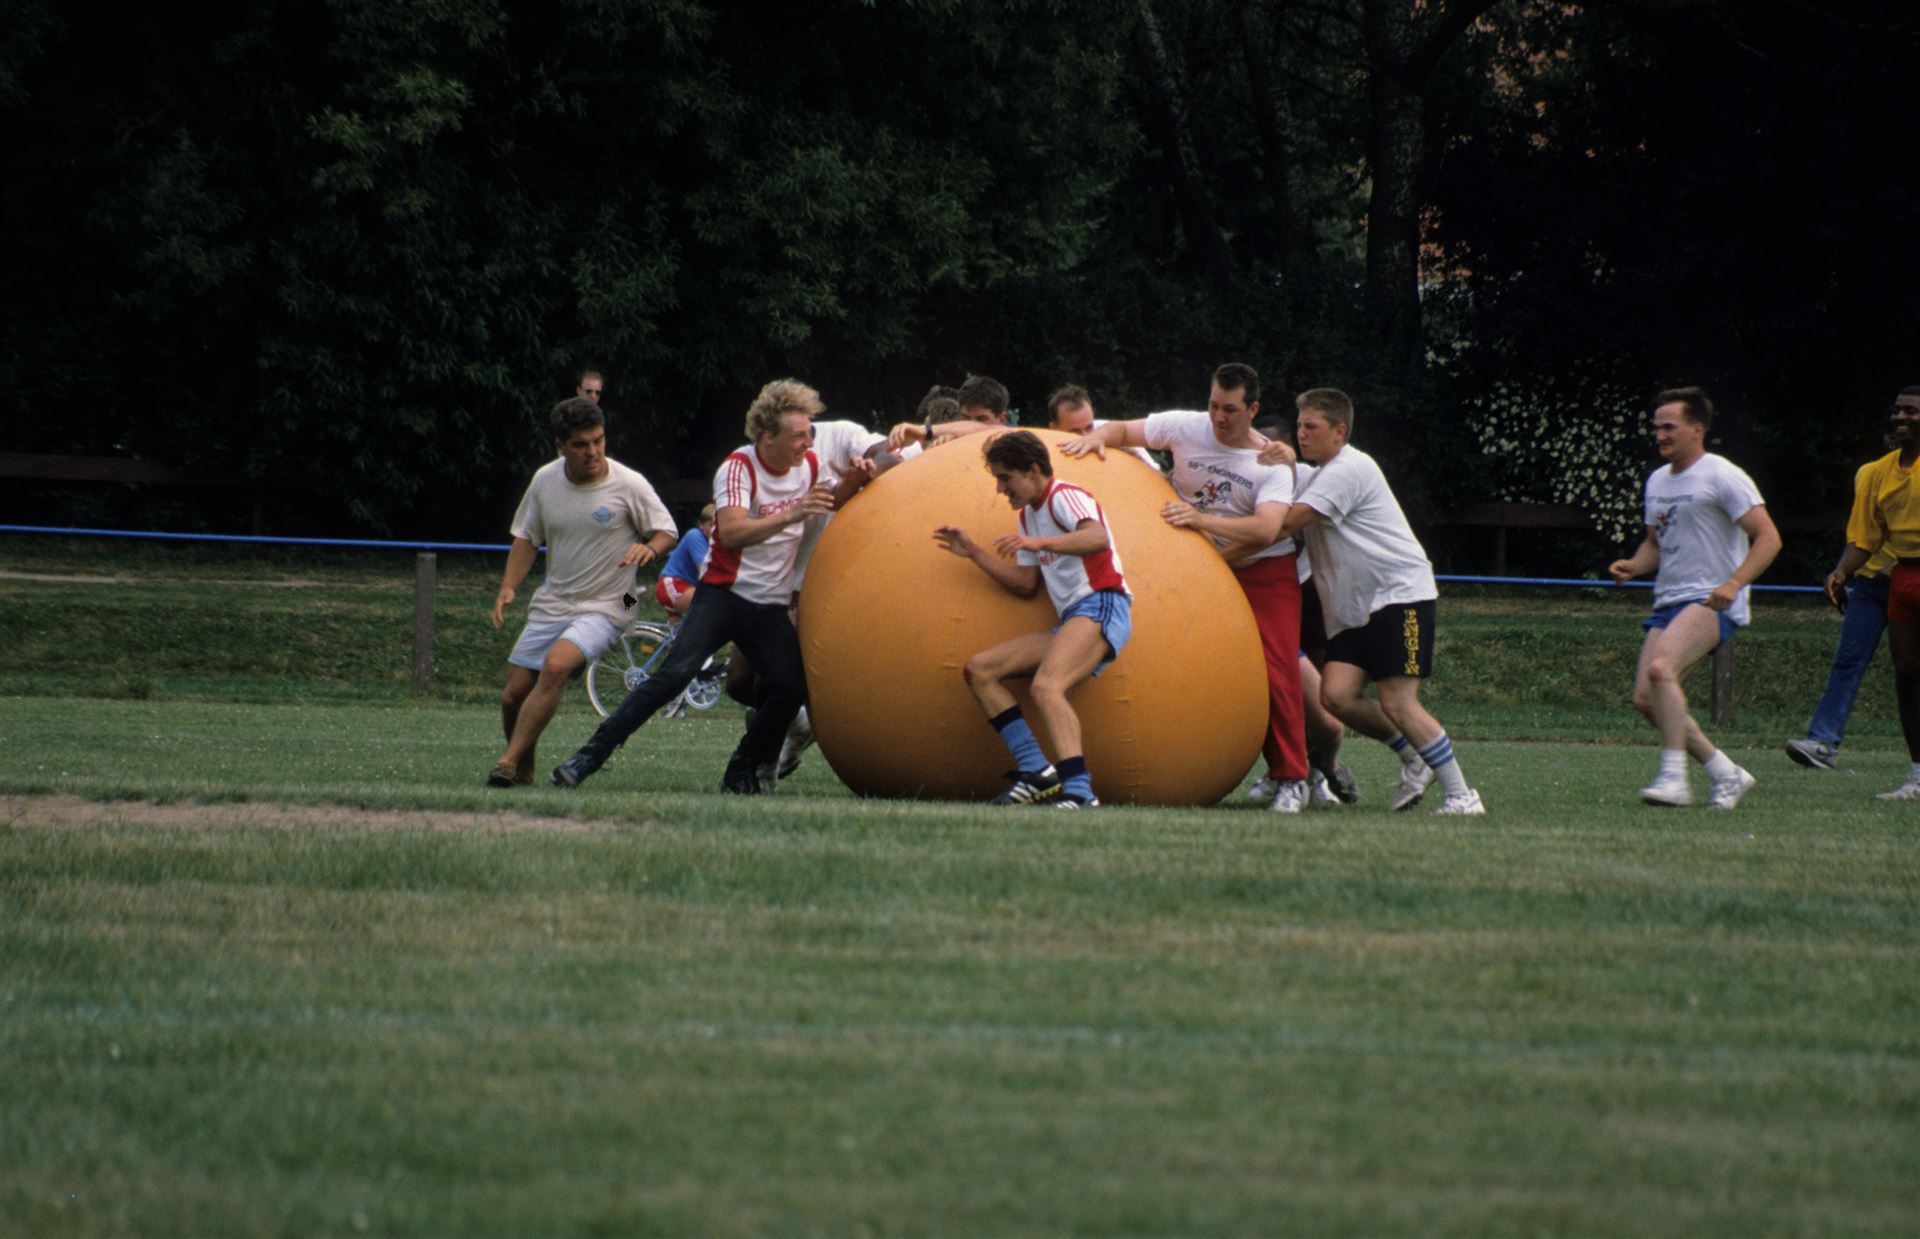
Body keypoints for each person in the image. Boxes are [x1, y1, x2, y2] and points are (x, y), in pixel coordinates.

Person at [551, 379, 835, 794]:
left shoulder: (808, 466)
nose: (807, 444)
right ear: (767, 435)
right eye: (798, 435)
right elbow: (734, 533)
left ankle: (741, 770)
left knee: (790, 687)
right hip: (715, 593)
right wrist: (793, 514)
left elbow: (825, 503)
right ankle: (587, 757)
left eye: (810, 434)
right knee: (675, 674)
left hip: (767, 605)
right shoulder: (738, 467)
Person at [1062, 363, 1313, 813]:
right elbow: (1120, 429)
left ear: (1252, 410)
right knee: (1188, 662)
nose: (1218, 417)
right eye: (1214, 405)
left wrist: (1199, 520)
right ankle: (1244, 763)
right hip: (1194, 568)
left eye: (1230, 410)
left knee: (1276, 671)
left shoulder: (1270, 462)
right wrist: (1099, 437)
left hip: (1261, 570)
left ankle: (1293, 776)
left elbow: (1265, 529)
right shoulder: (1184, 426)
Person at [1280, 387, 1486, 815]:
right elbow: (1286, 471)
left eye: (1311, 426)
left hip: (1400, 597)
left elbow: (1286, 522)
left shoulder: (1350, 468)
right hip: (1355, 610)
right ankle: (1413, 758)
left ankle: (1462, 796)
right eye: (1299, 425)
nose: (1302, 434)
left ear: (1339, 431)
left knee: (1398, 701)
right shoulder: (1318, 474)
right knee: (1335, 697)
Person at [935, 430, 1132, 808]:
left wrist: (1038, 544)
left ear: (1033, 470)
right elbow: (1026, 585)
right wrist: (973, 551)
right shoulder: (1027, 517)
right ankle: (1036, 769)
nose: (1000, 488)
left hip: (1103, 603)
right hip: (1075, 617)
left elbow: (1097, 538)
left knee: (1047, 687)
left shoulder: (1064, 496)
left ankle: (1080, 791)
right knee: (980, 670)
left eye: (1005, 478)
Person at [488, 396, 676, 788]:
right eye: (581, 444)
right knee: (512, 696)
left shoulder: (628, 483)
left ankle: (505, 762)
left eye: (599, 440)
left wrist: (650, 547)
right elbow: (525, 537)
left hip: (617, 601)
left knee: (557, 666)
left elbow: (667, 530)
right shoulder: (544, 481)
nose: (593, 451)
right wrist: (508, 587)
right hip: (554, 601)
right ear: (560, 446)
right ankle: (524, 770)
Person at [1606, 387, 1781, 808]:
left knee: (1662, 669)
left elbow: (1769, 538)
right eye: (1656, 427)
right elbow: (1656, 542)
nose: (1660, 435)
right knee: (1647, 699)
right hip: (1668, 599)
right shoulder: (1658, 481)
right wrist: (1633, 565)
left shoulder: (1722, 475)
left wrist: (1733, 584)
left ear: (1696, 429)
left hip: (1710, 600)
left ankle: (1674, 779)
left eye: (1669, 427)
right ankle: (1725, 772)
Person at [1786, 418, 1906, 770]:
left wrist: (1901, 570)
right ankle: (1823, 742)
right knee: (1848, 661)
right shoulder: (1869, 474)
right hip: (1871, 585)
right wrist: (1842, 572)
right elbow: (1861, 534)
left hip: (1910, 582)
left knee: (1911, 669)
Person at [1819, 385, 1920, 799]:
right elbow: (1865, 537)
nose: (1900, 418)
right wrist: (1842, 571)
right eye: (1897, 411)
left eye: (1911, 411)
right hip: (1903, 578)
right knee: (1909, 676)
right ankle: (1917, 776)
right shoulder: (1878, 472)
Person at [1046, 384, 1161, 471]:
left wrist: (1138, 462)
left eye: (1089, 427)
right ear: (1053, 429)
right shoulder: (1044, 450)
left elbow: (1158, 478)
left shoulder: (1117, 435)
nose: (1086, 437)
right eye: (1074, 431)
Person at [654, 503, 714, 618]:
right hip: (675, 584)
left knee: (682, 634)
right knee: (711, 605)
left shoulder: (716, 542)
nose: (715, 530)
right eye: (711, 525)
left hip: (690, 588)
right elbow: (705, 571)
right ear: (701, 524)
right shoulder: (695, 536)